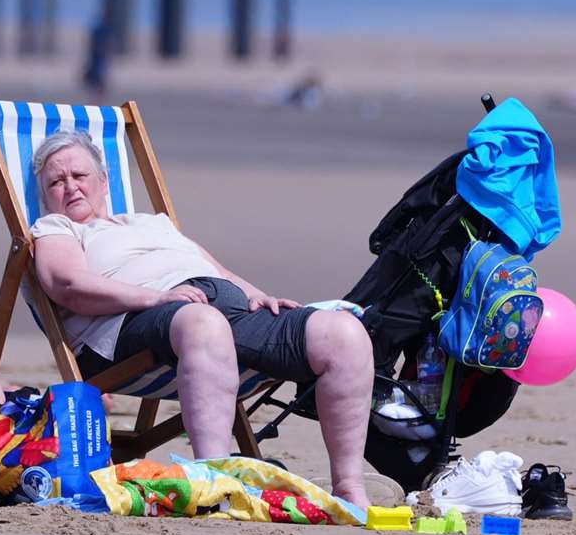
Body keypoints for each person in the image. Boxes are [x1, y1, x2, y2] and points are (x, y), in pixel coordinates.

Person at [28, 129, 377, 509]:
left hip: (212, 313)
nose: (71, 187)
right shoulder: (54, 229)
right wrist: (155, 298)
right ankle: (214, 485)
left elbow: (216, 269)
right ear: (44, 195)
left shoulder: (150, 222)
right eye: (56, 182)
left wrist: (257, 296)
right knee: (203, 323)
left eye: (79, 176)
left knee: (344, 333)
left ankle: (349, 488)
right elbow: (68, 285)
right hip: (130, 328)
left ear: (103, 179)